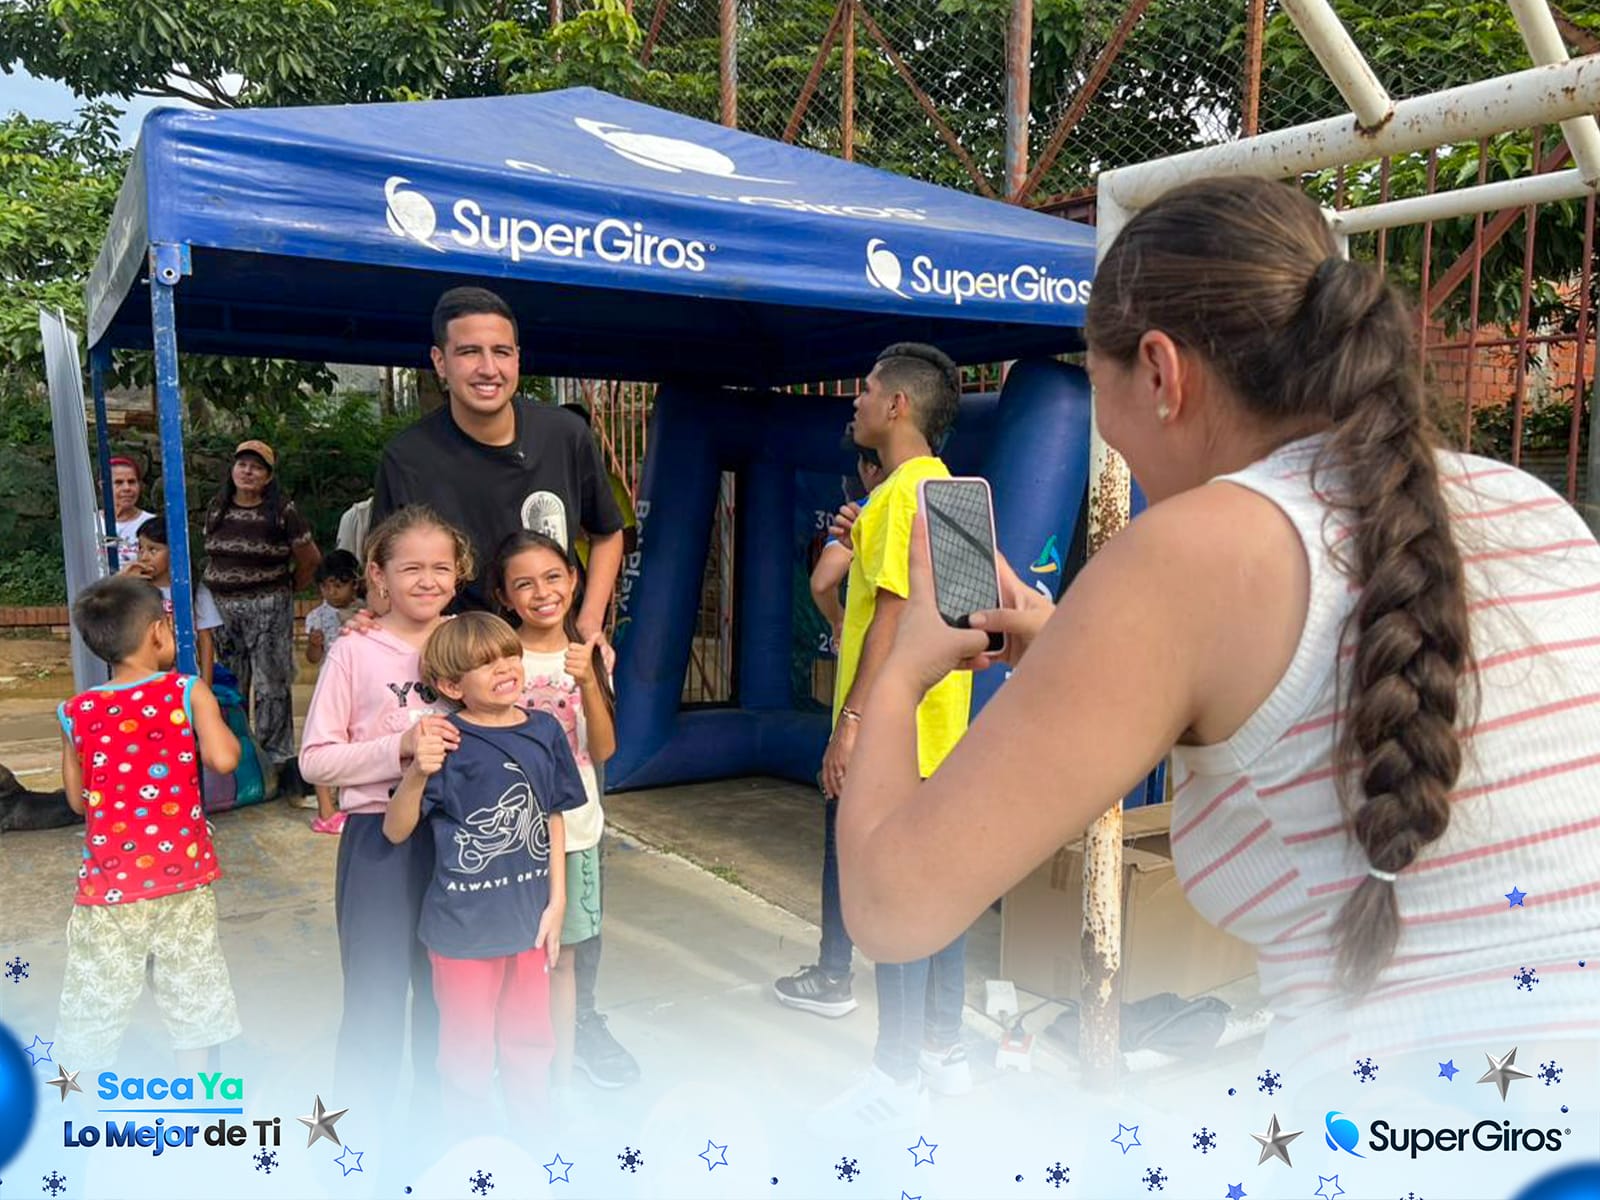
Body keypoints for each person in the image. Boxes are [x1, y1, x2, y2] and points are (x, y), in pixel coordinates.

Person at [836, 176, 1600, 1080]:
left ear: (1161, 373)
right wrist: (1076, 642)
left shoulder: (1188, 556)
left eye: (1101, 385)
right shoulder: (1525, 503)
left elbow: (890, 908)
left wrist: (900, 676)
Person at [807, 343, 974, 1132]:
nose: (857, 399)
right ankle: (943, 1049)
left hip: (894, 736)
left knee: (893, 897)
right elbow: (967, 620)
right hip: (944, 730)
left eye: (867, 388)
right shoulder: (952, 490)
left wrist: (853, 725)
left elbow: (892, 620)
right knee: (940, 891)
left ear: (898, 405)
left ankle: (895, 1074)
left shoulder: (898, 496)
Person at [383, 612, 586, 1140]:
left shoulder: (544, 730)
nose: (505, 668)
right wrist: (418, 770)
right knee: (466, 1054)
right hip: (462, 934)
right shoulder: (446, 740)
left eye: (510, 655)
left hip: (529, 926)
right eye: (486, 663)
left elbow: (553, 815)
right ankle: (470, 1153)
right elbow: (396, 829)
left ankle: (535, 1142)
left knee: (530, 1042)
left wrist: (557, 903)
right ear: (452, 686)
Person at [299, 505, 468, 1117]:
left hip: (459, 842)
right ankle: (357, 1135)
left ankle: (436, 1124)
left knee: (448, 995)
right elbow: (315, 760)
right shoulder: (355, 652)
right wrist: (400, 747)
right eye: (411, 568)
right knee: (375, 994)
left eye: (441, 567)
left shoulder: (470, 641)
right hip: (379, 844)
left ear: (459, 573)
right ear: (378, 574)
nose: (427, 580)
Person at [53, 574, 243, 1070]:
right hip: (182, 880)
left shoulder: (76, 711)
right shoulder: (185, 691)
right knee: (191, 991)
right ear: (158, 632)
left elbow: (77, 801)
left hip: (108, 887)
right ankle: (196, 1094)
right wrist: (216, 725)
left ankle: (84, 1100)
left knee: (95, 1001)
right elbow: (224, 759)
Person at [373, 288, 625, 626]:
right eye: (469, 352)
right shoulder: (407, 458)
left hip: (556, 645)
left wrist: (589, 621)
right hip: (455, 649)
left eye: (501, 352)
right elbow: (380, 571)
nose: (489, 368)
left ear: (517, 358)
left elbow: (608, 533)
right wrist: (375, 621)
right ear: (440, 361)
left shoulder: (565, 435)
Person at [493, 531, 638, 1090]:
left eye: (554, 577)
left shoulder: (591, 654)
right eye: (524, 584)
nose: (542, 593)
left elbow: (602, 749)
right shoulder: (494, 653)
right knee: (509, 957)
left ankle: (558, 1078)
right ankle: (511, 1066)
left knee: (565, 958)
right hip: (509, 836)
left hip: (575, 832)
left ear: (575, 581)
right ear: (504, 596)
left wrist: (587, 682)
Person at [772, 429, 885, 1020]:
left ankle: (835, 973)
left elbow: (820, 580)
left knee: (843, 845)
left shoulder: (869, 512)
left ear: (868, 469)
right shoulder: (939, 505)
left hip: (863, 714)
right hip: (925, 721)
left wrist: (840, 621)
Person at [201, 440, 321, 805]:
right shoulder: (218, 506)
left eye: (256, 467)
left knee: (271, 685)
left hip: (268, 608)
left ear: (268, 476)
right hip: (223, 610)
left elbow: (310, 558)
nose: (247, 471)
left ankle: (275, 763)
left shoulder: (283, 512)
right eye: (242, 464)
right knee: (232, 683)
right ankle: (239, 758)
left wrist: (287, 588)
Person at [124, 516, 224, 685]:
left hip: (185, 678)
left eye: (153, 550)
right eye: (140, 549)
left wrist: (206, 685)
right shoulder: (133, 590)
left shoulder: (194, 589)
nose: (144, 557)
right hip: (144, 677)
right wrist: (123, 581)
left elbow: (205, 639)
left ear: (175, 551)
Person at [305, 550, 364, 835]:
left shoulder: (367, 612)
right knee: (325, 743)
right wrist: (314, 645)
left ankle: (354, 800)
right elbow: (312, 659)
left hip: (362, 688)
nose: (331, 592)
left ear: (355, 584)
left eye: (338, 585)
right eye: (325, 586)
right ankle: (325, 810)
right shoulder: (316, 616)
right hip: (330, 690)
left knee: (357, 741)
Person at [559, 402, 639, 568]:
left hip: (592, 579)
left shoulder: (608, 484)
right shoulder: (538, 479)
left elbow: (630, 542)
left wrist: (589, 532)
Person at [108, 455, 154, 571]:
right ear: (103, 486)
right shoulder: (90, 523)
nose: (127, 488)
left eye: (132, 482)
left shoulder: (152, 523)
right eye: (119, 482)